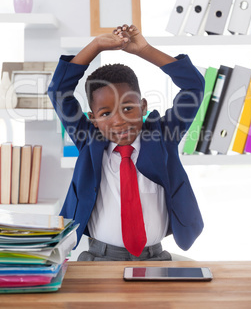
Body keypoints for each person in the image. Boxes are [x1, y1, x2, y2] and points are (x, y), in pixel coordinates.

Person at [48, 24, 205, 261]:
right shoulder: (88, 140)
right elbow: (59, 90)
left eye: (128, 108)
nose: (119, 121)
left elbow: (193, 86)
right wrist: (96, 46)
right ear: (93, 119)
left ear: (143, 106)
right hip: (99, 258)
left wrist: (144, 49)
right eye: (105, 113)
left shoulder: (163, 136)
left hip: (155, 258)